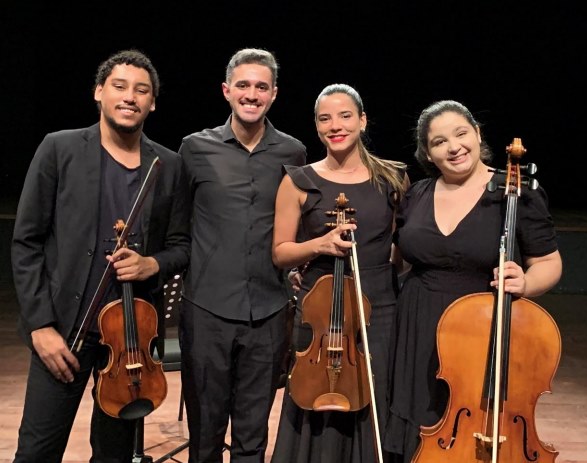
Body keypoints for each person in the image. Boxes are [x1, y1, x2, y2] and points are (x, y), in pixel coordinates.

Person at [10, 49, 191, 463]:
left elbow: (182, 246)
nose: (130, 97)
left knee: (115, 455)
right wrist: (40, 326)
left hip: (131, 340)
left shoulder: (168, 165)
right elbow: (26, 242)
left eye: (141, 90)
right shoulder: (59, 148)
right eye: (119, 86)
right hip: (64, 333)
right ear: (99, 92)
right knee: (37, 452)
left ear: (152, 102)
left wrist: (151, 264)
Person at [383, 100, 563, 461]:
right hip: (416, 327)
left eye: (461, 133)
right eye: (439, 142)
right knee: (414, 436)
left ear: (477, 134)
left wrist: (525, 283)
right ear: (428, 154)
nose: (454, 147)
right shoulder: (417, 194)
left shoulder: (515, 191)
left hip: (481, 334)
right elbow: (395, 258)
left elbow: (548, 262)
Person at [178, 47, 307, 462]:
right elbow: (178, 226)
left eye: (261, 87)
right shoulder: (194, 148)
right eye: (244, 85)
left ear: (274, 94)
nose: (252, 94)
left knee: (253, 436)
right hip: (207, 310)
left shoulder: (293, 152)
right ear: (227, 90)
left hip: (268, 310)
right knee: (205, 437)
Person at [270, 83, 408, 463]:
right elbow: (281, 252)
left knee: (373, 398)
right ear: (316, 127)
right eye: (325, 119)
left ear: (362, 120)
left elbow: (400, 248)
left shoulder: (393, 179)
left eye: (345, 116)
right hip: (319, 313)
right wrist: (319, 245)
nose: (335, 126)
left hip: (379, 308)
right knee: (317, 397)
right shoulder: (297, 180)